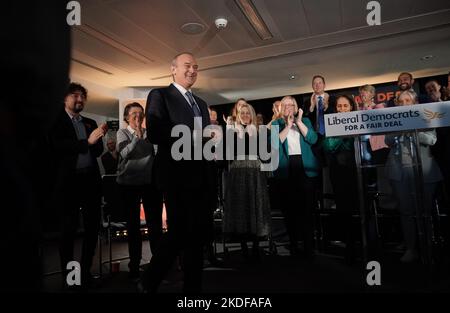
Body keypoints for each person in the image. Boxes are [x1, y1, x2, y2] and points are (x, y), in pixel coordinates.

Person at [142, 52, 214, 293]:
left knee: (197, 237)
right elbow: (154, 130)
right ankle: (149, 281)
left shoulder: (201, 104)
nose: (192, 70)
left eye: (196, 66)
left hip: (201, 177)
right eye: (187, 66)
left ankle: (193, 292)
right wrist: (193, 136)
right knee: (178, 235)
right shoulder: (159, 95)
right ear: (173, 69)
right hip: (176, 177)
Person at [50, 82, 105, 286]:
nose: (80, 99)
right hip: (68, 184)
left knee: (92, 229)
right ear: (65, 98)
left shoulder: (89, 122)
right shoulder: (55, 121)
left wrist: (98, 141)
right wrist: (87, 143)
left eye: (82, 96)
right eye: (75, 95)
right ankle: (70, 277)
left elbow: (97, 151)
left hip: (90, 181)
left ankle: (85, 272)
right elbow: (58, 147)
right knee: (68, 231)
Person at [384, 90, 442, 263]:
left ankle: (428, 248)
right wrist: (398, 130)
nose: (404, 104)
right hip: (398, 170)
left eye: (407, 100)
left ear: (414, 102)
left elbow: (432, 140)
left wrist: (413, 130)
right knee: (406, 211)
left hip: (424, 171)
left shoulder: (426, 116)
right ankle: (411, 248)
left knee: (424, 211)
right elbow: (388, 140)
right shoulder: (392, 119)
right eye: (400, 101)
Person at [116, 102, 163, 281]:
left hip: (149, 183)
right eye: (134, 113)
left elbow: (156, 154)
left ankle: (158, 264)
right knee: (133, 227)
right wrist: (136, 136)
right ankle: (134, 266)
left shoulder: (149, 134)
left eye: (140, 114)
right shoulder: (123, 132)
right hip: (129, 184)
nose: (138, 117)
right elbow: (125, 153)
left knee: (155, 225)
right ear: (126, 117)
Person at [272, 96, 319, 258]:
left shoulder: (305, 120)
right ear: (280, 108)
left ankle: (308, 245)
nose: (287, 107)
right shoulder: (275, 124)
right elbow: (273, 145)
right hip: (286, 169)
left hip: (305, 168)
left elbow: (313, 139)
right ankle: (293, 244)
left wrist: (298, 122)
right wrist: (287, 126)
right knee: (289, 210)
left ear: (295, 106)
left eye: (290, 104)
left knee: (306, 209)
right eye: (284, 105)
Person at [223, 103, 271, 260]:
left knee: (256, 206)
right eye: (241, 113)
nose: (244, 115)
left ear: (252, 115)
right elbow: (227, 153)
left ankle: (256, 246)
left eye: (247, 113)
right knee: (240, 207)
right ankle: (243, 246)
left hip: (255, 172)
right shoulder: (232, 131)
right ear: (237, 115)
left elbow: (266, 155)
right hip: (237, 171)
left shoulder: (259, 131)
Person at [322, 95, 359, 263]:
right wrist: (344, 134)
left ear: (351, 107)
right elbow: (329, 146)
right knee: (344, 208)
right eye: (339, 106)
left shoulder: (358, 121)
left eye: (345, 106)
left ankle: (361, 243)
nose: (342, 109)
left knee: (358, 206)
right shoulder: (331, 124)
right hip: (338, 172)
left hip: (356, 170)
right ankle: (349, 245)